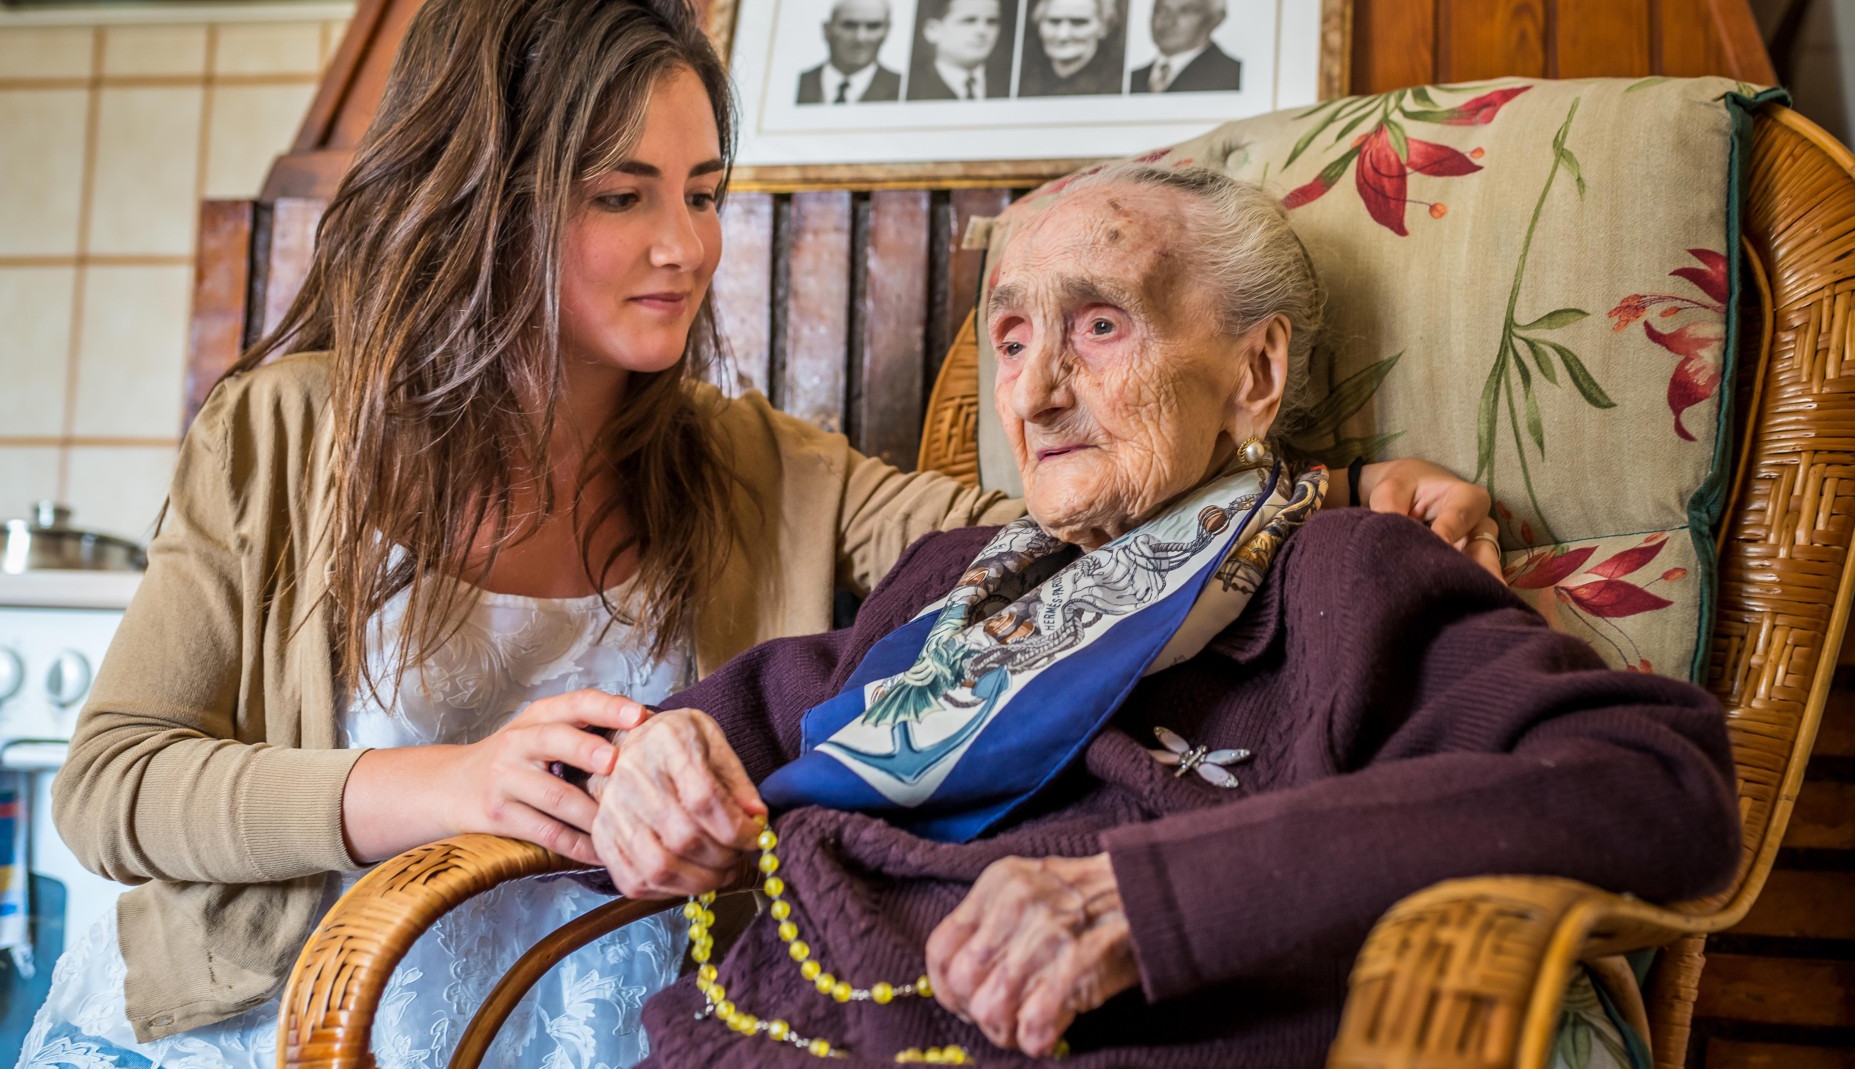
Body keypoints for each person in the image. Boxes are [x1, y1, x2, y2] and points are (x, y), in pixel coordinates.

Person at [23, 0, 1495, 1069]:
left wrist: (1335, 488)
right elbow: (113, 785)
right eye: (622, 196)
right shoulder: (287, 434)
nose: (684, 245)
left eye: (704, 190)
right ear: (489, 197)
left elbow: (1072, 514)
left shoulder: (763, 467)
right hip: (278, 1023)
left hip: (609, 1028)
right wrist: (452, 786)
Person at [589, 163, 1741, 1067]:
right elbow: (725, 728)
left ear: (1255, 375)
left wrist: (1152, 901)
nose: (1036, 393)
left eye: (1098, 325)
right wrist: (651, 764)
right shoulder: (961, 579)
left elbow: (1655, 781)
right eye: (1011, 339)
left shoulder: (1344, 576)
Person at [1131, 0, 1242, 94]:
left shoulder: (1233, 75)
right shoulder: (1132, 79)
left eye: (1185, 11)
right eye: (1161, 10)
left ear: (1215, 19)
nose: (1168, 21)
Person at [1018, 0, 1125, 97]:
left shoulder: (1120, 82)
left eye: (1079, 22)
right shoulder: (1020, 78)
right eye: (1054, 21)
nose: (1063, 35)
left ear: (1104, 28)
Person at [796, 0, 903, 104]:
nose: (860, 38)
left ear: (887, 32)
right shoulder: (797, 83)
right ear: (827, 29)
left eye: (873, 26)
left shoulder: (902, 87)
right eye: (849, 25)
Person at [906, 0, 1011, 101]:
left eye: (992, 22)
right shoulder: (909, 87)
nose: (982, 31)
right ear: (933, 31)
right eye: (969, 21)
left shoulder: (1011, 85)